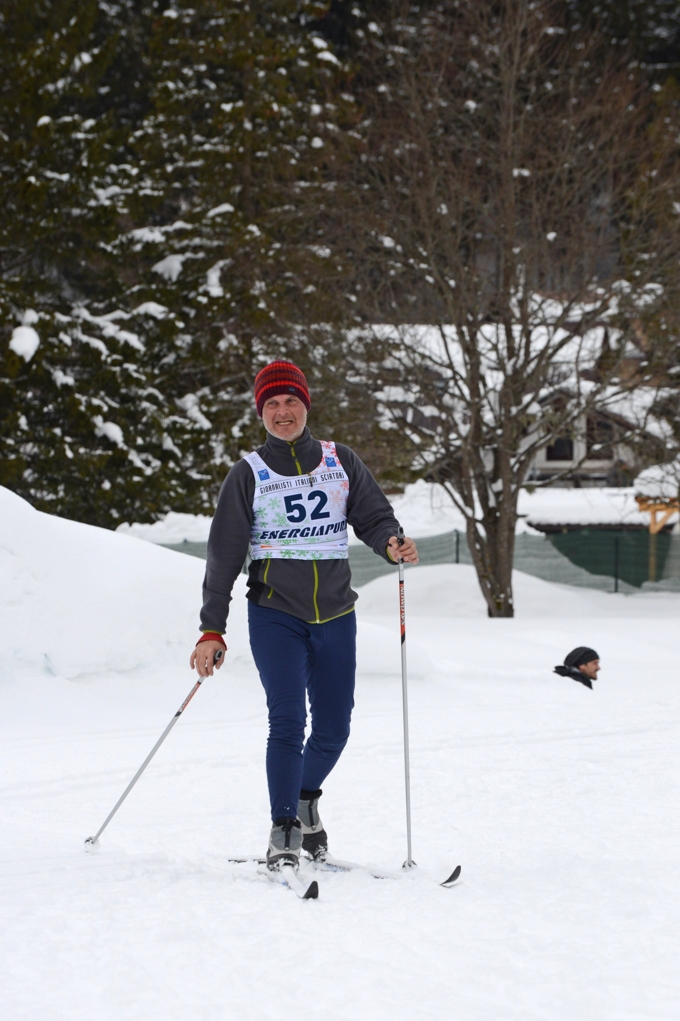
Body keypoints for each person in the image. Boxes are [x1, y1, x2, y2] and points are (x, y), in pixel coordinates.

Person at [189, 360, 419, 870]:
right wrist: (212, 628)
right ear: (261, 413)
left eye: (290, 401)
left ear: (306, 405)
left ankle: (305, 799)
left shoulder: (341, 460)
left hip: (336, 613)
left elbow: (374, 517)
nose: (282, 411)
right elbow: (223, 556)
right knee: (288, 721)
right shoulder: (248, 473)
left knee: (334, 729)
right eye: (271, 404)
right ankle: (284, 830)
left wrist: (391, 541)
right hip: (276, 614)